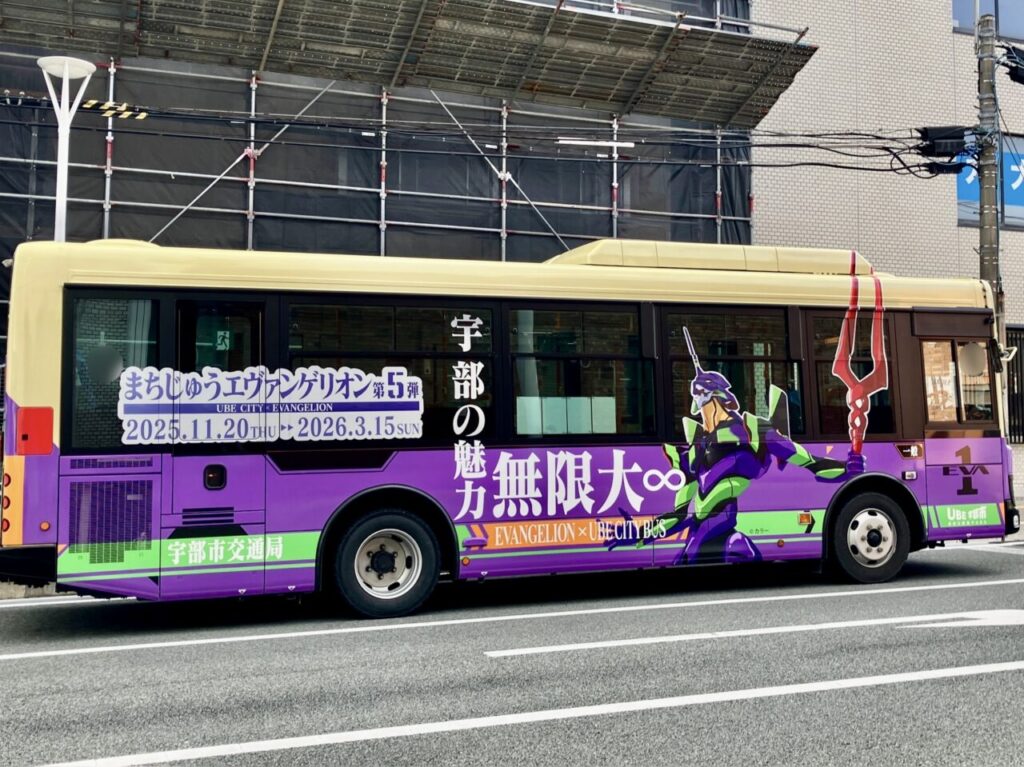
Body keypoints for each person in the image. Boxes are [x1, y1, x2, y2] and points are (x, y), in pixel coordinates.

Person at [608, 328, 863, 564]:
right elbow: (679, 515)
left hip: (727, 538)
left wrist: (847, 468)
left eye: (699, 400)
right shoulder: (697, 449)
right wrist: (638, 535)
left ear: (711, 399)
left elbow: (807, 460)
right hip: (697, 539)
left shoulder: (751, 430)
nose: (699, 410)